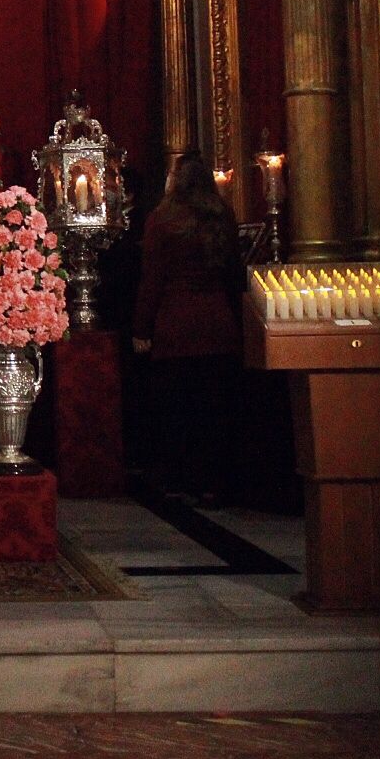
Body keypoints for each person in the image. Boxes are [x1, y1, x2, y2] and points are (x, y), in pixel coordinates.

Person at [130, 152, 245, 506]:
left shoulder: (163, 219)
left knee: (177, 408)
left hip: (176, 324)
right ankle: (213, 482)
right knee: (215, 409)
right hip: (218, 323)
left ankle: (179, 480)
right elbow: (234, 275)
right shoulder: (222, 215)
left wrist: (141, 328)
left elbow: (153, 280)